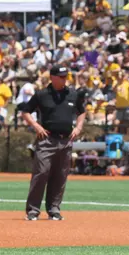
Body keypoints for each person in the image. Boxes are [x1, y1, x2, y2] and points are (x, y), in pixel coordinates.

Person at [20, 65, 86, 221]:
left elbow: (81, 111)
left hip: (66, 140)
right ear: (52, 77)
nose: (64, 79)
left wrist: (78, 127)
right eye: (61, 76)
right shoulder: (42, 94)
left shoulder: (72, 94)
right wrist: (36, 126)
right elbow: (26, 111)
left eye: (66, 76)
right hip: (46, 140)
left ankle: (54, 209)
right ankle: (33, 210)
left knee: (60, 175)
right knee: (41, 173)